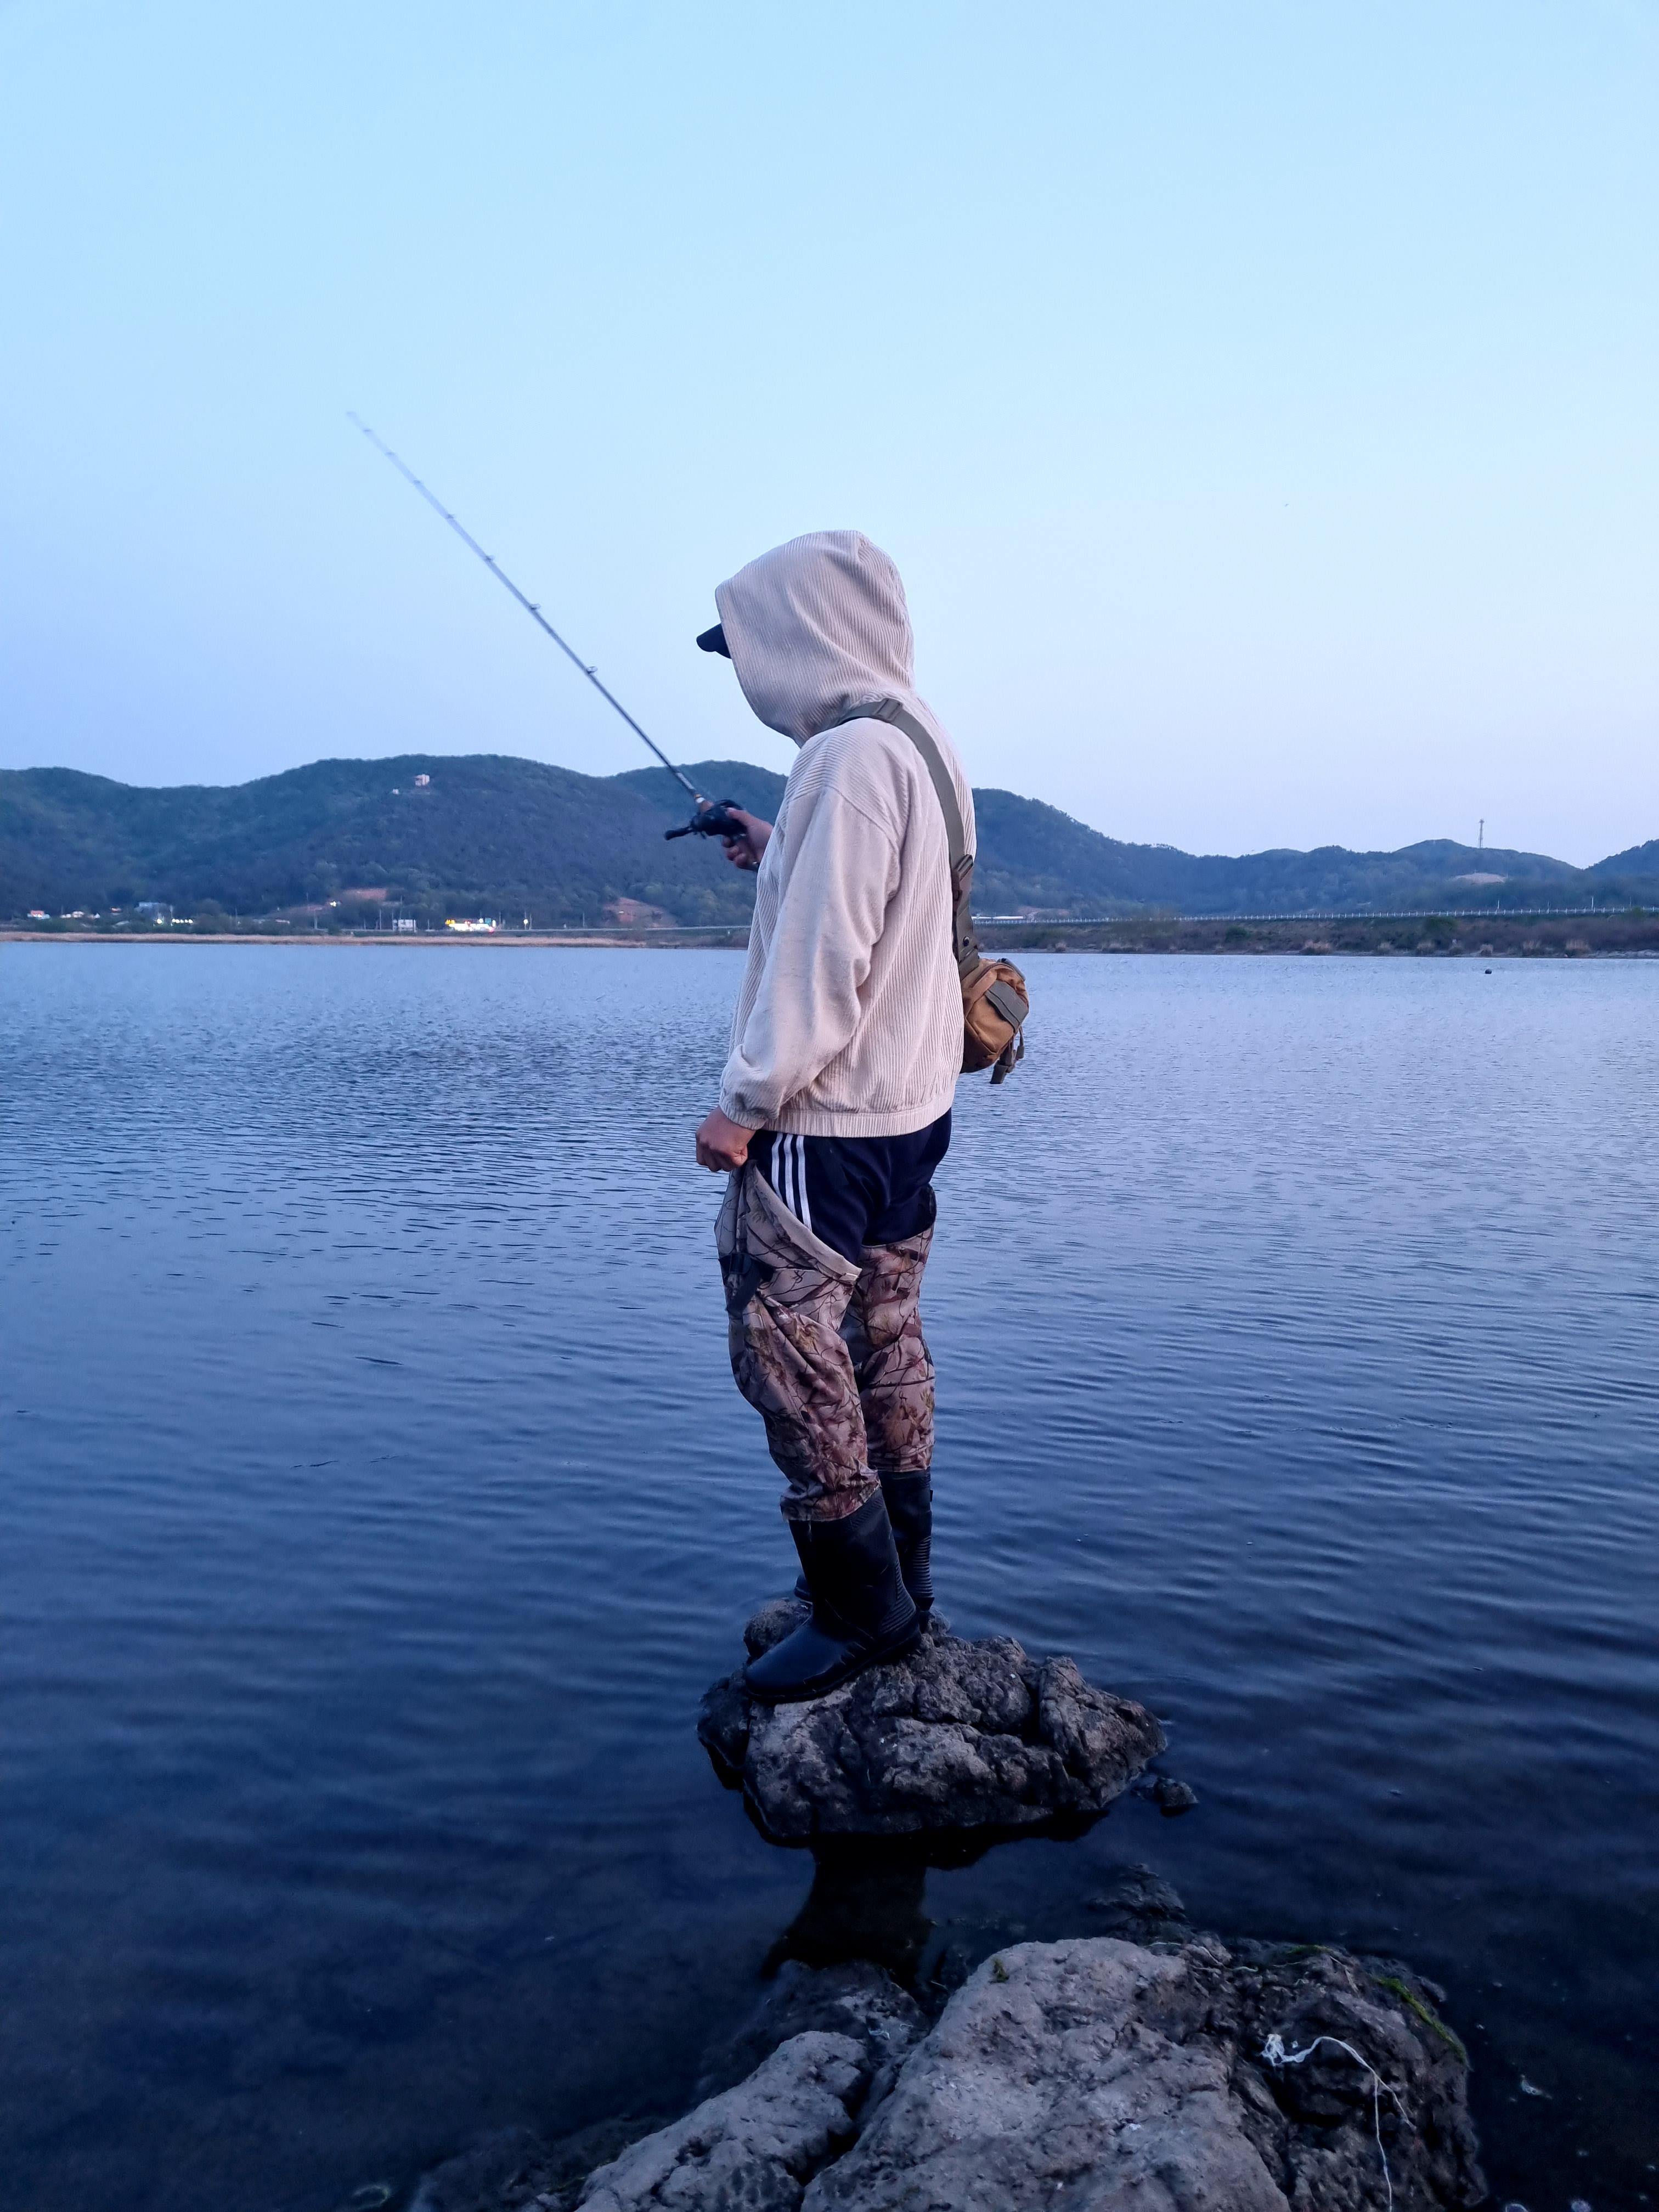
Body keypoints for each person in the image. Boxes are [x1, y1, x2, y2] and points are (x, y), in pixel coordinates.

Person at [692, 530, 974, 1707]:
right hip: (913, 1112)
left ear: (802, 637)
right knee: (887, 1338)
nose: (743, 671)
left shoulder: (847, 762)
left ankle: (860, 1611)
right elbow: (880, 907)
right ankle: (901, 1583)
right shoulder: (918, 742)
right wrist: (774, 849)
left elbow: (824, 962)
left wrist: (742, 1108)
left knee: (791, 1347)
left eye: (747, 648)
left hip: (828, 1124)